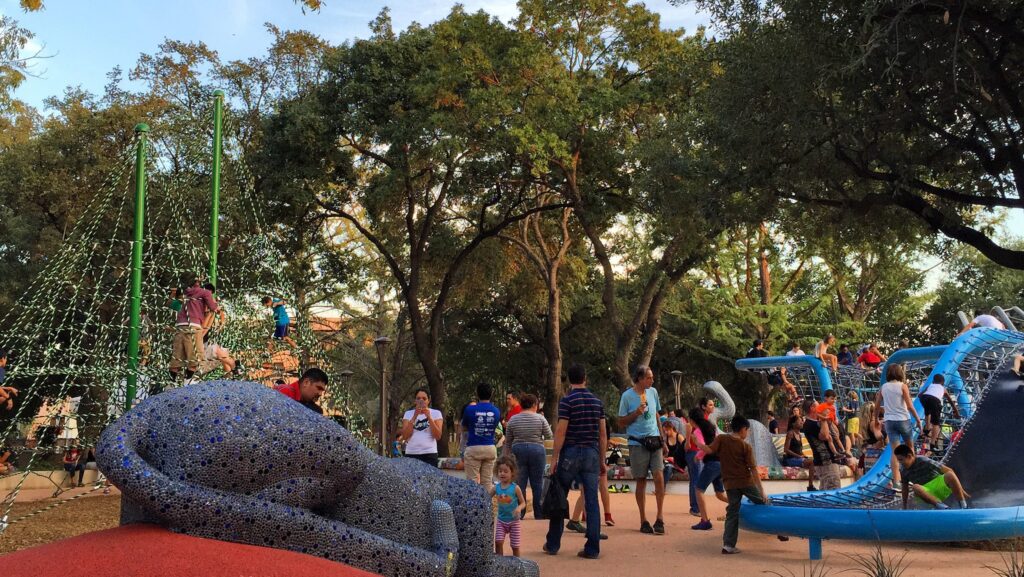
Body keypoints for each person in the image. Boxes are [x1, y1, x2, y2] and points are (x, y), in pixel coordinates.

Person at [544, 363, 607, 560]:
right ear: (585, 377)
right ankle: (593, 547)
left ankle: (553, 543)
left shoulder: (567, 401)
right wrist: (602, 459)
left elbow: (561, 431)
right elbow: (603, 434)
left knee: (559, 497)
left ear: (569, 380)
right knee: (591, 501)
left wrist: (554, 458)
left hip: (570, 453)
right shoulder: (597, 402)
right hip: (591, 453)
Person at [695, 415, 769, 555]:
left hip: (730, 484)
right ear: (743, 429)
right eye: (747, 430)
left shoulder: (721, 439)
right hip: (746, 482)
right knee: (763, 502)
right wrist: (762, 491)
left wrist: (697, 443)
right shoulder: (745, 446)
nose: (747, 434)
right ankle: (778, 530)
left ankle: (728, 545)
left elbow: (709, 450)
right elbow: (753, 469)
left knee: (732, 513)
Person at [617, 365, 666, 535]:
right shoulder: (627, 396)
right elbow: (621, 422)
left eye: (652, 377)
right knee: (641, 480)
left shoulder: (653, 392)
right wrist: (636, 413)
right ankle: (643, 519)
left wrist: (663, 438)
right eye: (649, 378)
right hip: (637, 443)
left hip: (655, 440)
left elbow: (656, 415)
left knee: (659, 476)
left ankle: (660, 517)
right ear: (639, 378)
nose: (652, 380)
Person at [503, 393, 552, 520]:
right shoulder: (540, 419)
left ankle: (521, 512)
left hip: (518, 450)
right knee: (537, 483)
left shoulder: (513, 419)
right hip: (537, 450)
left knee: (520, 483)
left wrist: (506, 458)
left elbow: (508, 441)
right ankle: (539, 513)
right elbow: (549, 435)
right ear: (535, 405)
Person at [876, 363, 922, 485]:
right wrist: (918, 419)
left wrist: (875, 418)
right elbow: (909, 405)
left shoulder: (883, 387)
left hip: (889, 421)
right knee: (910, 448)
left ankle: (897, 481)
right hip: (903, 419)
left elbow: (877, 406)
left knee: (895, 451)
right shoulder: (902, 386)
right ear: (900, 373)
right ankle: (913, 477)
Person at [170, 277, 221, 381]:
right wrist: (216, 307)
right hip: (194, 325)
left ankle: (173, 377)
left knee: (177, 354)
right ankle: (189, 380)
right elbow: (213, 307)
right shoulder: (205, 293)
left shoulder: (184, 293)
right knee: (196, 355)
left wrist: (172, 294)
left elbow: (171, 304)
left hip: (180, 325)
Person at [894, 444, 970, 509]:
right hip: (926, 493)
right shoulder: (903, 470)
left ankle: (963, 505)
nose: (900, 463)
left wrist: (962, 491)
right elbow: (905, 488)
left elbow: (947, 470)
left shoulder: (922, 460)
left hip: (939, 486)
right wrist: (904, 506)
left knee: (949, 474)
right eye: (898, 460)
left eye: (901, 460)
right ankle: (943, 507)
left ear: (909, 456)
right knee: (915, 487)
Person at [688, 407, 727, 530]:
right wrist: (699, 456)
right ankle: (740, 505)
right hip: (720, 462)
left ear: (692, 420)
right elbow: (713, 445)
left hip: (711, 463)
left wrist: (697, 449)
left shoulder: (697, 431)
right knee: (720, 494)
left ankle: (705, 521)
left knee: (699, 490)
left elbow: (706, 448)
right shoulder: (711, 428)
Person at [462, 382, 501, 487]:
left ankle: (474, 503)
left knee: (472, 482)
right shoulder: (496, 411)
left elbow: (464, 427)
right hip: (490, 448)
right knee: (487, 482)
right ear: (491, 394)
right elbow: (494, 427)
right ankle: (488, 503)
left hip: (473, 447)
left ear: (477, 393)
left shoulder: (469, 409)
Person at [489, 456, 526, 557]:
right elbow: (486, 497)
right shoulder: (496, 488)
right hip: (501, 521)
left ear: (512, 473)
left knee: (515, 546)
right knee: (498, 542)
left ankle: (517, 565)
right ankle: (500, 563)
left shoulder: (515, 488)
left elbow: (523, 503)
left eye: (505, 471)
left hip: (514, 522)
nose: (502, 473)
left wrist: (519, 508)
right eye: (500, 471)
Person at [400, 388, 444, 468]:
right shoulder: (408, 414)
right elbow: (405, 436)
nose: (421, 401)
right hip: (412, 453)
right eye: (418, 398)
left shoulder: (436, 413)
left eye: (424, 398)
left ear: (428, 400)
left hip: (429, 453)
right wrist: (414, 417)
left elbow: (438, 436)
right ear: (415, 401)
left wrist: (429, 417)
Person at [918, 374, 961, 454]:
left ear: (933, 381)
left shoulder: (930, 385)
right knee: (936, 424)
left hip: (924, 398)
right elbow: (951, 402)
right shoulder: (943, 389)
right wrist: (956, 412)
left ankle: (927, 429)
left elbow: (919, 395)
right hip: (934, 400)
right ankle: (933, 444)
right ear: (943, 383)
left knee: (927, 412)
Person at [802, 399, 839, 490]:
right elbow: (825, 436)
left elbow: (836, 434)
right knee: (832, 490)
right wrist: (823, 418)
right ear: (812, 408)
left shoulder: (815, 422)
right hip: (825, 462)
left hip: (826, 462)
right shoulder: (809, 424)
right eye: (819, 406)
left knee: (826, 489)